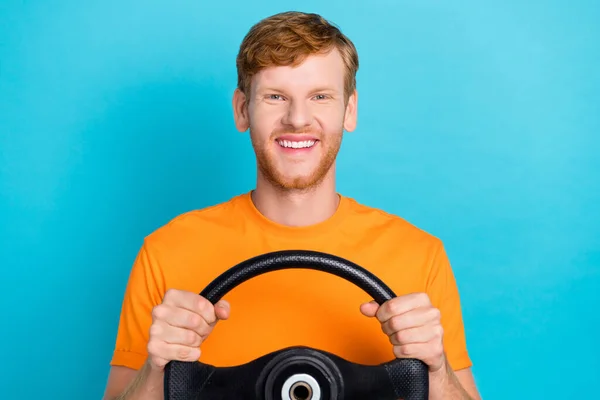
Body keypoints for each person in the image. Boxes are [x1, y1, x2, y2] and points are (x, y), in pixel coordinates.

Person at [102, 11, 481, 400]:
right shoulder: (166, 253)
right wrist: (157, 368)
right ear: (241, 109)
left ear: (349, 110)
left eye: (320, 96)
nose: (298, 119)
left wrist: (435, 372)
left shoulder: (419, 256)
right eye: (275, 97)